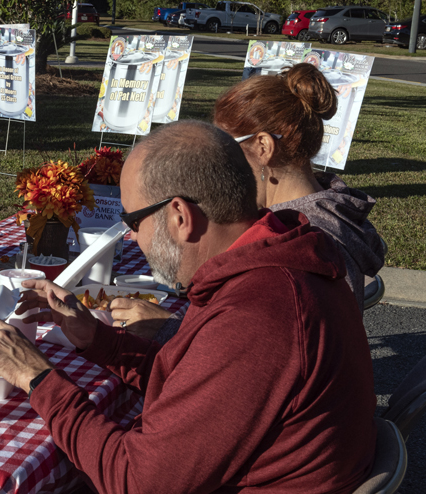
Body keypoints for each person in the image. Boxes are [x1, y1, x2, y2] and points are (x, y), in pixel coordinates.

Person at [0, 121, 376, 494]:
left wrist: (37, 378)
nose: (133, 238)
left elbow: (134, 486)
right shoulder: (269, 263)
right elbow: (201, 384)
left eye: (133, 221)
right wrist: (95, 338)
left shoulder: (259, 313)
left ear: (179, 215)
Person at [112, 63, 384, 338]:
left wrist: (170, 330)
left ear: (264, 147)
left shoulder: (312, 241)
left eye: (225, 146)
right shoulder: (310, 209)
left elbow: (287, 343)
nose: (214, 159)